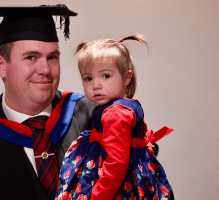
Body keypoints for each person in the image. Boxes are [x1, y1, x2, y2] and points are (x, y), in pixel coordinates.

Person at [0, 5, 97, 200]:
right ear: (1, 66)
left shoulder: (95, 116)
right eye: (31, 57)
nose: (45, 69)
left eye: (52, 57)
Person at [56, 34, 174, 200]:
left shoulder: (115, 113)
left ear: (127, 77)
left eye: (106, 76)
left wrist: (98, 196)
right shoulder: (124, 105)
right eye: (88, 78)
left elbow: (117, 164)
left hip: (112, 184)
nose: (96, 85)